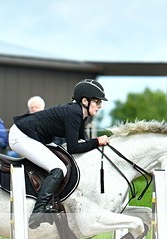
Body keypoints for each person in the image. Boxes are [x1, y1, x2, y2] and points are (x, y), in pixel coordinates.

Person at [8, 79, 109, 229]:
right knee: (58, 167)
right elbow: (74, 147)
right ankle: (38, 211)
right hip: (21, 136)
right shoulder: (74, 113)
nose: (100, 106)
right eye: (97, 102)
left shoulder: (80, 114)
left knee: (61, 160)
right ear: (85, 101)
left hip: (34, 136)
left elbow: (82, 141)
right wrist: (97, 141)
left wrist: (96, 145)